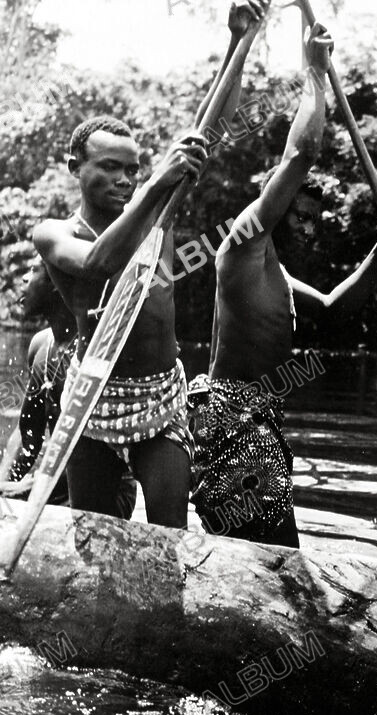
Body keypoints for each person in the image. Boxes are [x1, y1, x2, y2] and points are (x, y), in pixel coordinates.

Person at [31, 2, 265, 528]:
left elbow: (211, 128)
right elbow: (97, 263)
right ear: (76, 168)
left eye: (132, 170)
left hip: (159, 395)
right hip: (92, 394)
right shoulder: (54, 233)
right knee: (90, 534)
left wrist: (240, 42)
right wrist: (158, 181)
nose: (124, 179)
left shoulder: (158, 211)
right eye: (109, 167)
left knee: (169, 535)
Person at [191, 21, 377, 547]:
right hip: (232, 421)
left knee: (270, 559)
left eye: (317, 221)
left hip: (255, 423)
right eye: (300, 217)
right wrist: (315, 72)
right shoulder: (242, 246)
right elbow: (302, 155)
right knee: (275, 558)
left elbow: (336, 310)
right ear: (276, 211)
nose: (310, 230)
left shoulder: (280, 278)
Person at [0, 267, 137, 515]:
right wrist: (4, 484)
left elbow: (94, 458)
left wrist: (32, 488)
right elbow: (28, 435)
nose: (24, 277)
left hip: (105, 494)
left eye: (33, 270)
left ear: (56, 281)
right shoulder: (41, 346)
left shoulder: (95, 353)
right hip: (55, 486)